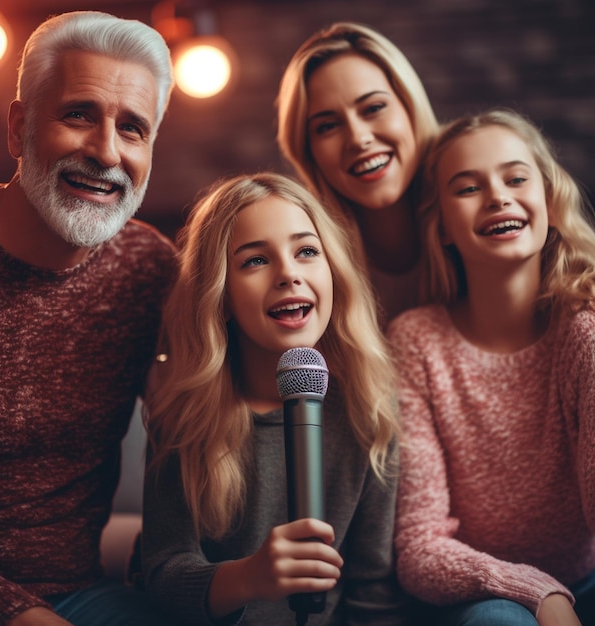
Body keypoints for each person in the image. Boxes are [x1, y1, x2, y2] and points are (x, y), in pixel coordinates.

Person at [0, 10, 178, 626]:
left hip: (85, 598)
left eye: (133, 128)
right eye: (78, 114)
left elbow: (199, 428)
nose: (106, 151)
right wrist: (17, 614)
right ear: (18, 127)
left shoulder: (148, 270)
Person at [141, 172, 404, 625]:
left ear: (333, 272)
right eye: (255, 260)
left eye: (306, 251)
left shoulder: (368, 413)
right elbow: (163, 575)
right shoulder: (184, 417)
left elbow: (372, 591)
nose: (288, 274)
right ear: (219, 294)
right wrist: (248, 577)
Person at [386, 108, 595, 626]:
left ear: (547, 199)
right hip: (483, 595)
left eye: (516, 177)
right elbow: (419, 545)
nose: (498, 195)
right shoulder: (417, 342)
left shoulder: (584, 331)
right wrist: (536, 592)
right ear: (444, 230)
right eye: (467, 188)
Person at [276, 21, 439, 320]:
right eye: (327, 126)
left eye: (374, 108)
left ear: (410, 107)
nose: (358, 138)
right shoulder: (302, 270)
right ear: (307, 151)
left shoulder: (484, 212)